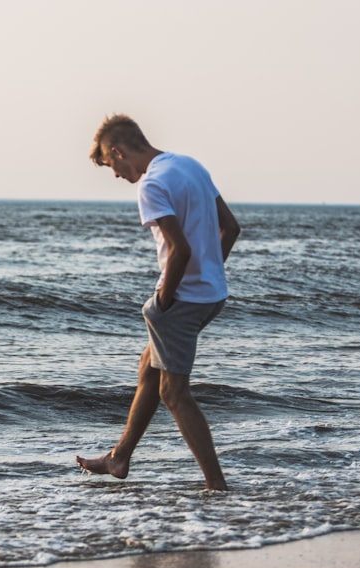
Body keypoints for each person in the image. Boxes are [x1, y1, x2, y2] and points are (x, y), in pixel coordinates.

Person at [76, 114, 240, 491]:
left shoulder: (151, 184)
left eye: (110, 165)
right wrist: (211, 271)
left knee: (173, 393)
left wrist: (166, 299)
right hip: (210, 294)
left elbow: (180, 250)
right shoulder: (189, 165)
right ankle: (119, 457)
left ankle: (217, 486)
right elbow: (230, 227)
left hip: (182, 298)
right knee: (149, 366)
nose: (115, 174)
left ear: (117, 151)